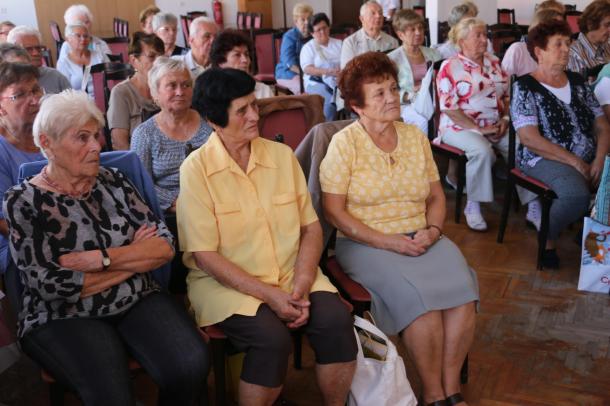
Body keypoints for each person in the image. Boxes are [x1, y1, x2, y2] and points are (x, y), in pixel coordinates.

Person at [2, 90, 209, 405]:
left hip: (138, 298)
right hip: (63, 316)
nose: (97, 147)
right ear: (47, 143)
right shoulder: (23, 201)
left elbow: (164, 247)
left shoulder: (114, 180)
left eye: (96, 136)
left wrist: (102, 259)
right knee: (111, 394)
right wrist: (134, 260)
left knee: (191, 363)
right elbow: (50, 285)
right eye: (81, 138)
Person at [180, 67, 357, 406]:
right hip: (226, 285)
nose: (254, 115)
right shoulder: (197, 170)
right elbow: (205, 255)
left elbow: (310, 228)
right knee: (272, 340)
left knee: (336, 323)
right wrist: (271, 296)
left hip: (293, 274)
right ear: (216, 121)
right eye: (242, 110)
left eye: (254, 105)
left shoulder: (280, 156)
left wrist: (302, 283)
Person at [320, 52, 478, 406]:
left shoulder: (414, 137)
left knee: (463, 293)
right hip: (366, 243)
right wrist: (387, 242)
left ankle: (451, 390)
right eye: (379, 93)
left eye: (393, 88)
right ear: (357, 105)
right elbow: (334, 212)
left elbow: (436, 196)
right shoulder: (345, 144)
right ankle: (433, 392)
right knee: (420, 304)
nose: (391, 97)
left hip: (423, 237)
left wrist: (434, 231)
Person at [512, 20, 610, 268]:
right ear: (539, 52)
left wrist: (599, 159)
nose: (566, 49)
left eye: (568, 43)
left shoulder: (577, 82)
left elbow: (602, 125)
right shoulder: (525, 87)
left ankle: (589, 239)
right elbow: (529, 138)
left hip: (587, 156)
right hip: (542, 158)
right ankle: (547, 238)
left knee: (607, 186)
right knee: (576, 194)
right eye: (559, 44)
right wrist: (575, 162)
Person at [437, 17, 538, 232]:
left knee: (524, 145)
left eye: (486, 35)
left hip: (496, 125)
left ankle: (533, 205)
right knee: (482, 151)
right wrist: (479, 130)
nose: (485, 40)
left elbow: (510, 96)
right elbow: (450, 109)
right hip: (458, 127)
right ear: (462, 40)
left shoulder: (494, 62)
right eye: (478, 35)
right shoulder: (450, 66)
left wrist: (505, 120)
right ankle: (473, 205)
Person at [131, 57, 211, 212]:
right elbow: (140, 183)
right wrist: (176, 200)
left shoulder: (208, 123)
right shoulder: (144, 134)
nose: (180, 92)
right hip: (169, 212)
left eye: (186, 85)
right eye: (172, 86)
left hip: (212, 201)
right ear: (155, 93)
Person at [0, 62, 45, 275]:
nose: (34, 100)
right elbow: (3, 221)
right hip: (18, 241)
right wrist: (48, 243)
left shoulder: (52, 131)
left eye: (36, 90)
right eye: (19, 95)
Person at [388, 9, 441, 133]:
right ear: (400, 34)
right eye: (412, 29)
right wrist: (409, 95)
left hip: (434, 100)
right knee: (422, 120)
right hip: (407, 104)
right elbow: (389, 90)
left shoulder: (434, 54)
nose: (418, 33)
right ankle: (422, 151)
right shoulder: (392, 59)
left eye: (420, 28)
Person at [107, 32, 163, 150]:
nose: (159, 62)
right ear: (133, 60)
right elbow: (120, 144)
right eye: (152, 56)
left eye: (161, 57)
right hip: (137, 160)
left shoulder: (166, 88)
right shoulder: (121, 93)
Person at [300, 13, 342, 121]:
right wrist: (328, 72)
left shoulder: (339, 44)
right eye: (318, 30)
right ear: (312, 33)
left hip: (339, 79)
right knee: (329, 100)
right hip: (316, 82)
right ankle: (327, 130)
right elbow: (307, 69)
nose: (322, 32)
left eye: (324, 28)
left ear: (329, 27)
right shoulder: (308, 48)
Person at [210, 29, 274, 99]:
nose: (245, 60)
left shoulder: (263, 91)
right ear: (220, 62)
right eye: (237, 55)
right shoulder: (212, 94)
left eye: (246, 54)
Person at [6, 26, 71, 94]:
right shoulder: (5, 81)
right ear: (13, 53)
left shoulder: (55, 77)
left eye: (38, 48)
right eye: (28, 49)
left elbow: (74, 102)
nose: (36, 53)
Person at [501, 8, 564, 77]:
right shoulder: (518, 50)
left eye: (562, 28)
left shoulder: (560, 52)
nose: (561, 33)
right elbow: (504, 83)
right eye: (555, 28)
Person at [340, 1, 398, 68]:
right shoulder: (350, 43)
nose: (378, 16)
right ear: (362, 19)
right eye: (373, 13)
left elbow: (396, 69)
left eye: (380, 13)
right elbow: (347, 73)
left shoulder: (393, 42)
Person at [57, 23, 109, 97]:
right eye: (78, 36)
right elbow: (64, 92)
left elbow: (111, 79)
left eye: (86, 36)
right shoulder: (63, 63)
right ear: (68, 39)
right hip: (79, 104)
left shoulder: (99, 56)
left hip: (104, 100)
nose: (83, 39)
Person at [275, 3, 313, 95]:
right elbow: (289, 62)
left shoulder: (313, 35)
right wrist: (306, 74)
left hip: (309, 72)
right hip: (288, 73)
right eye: (303, 19)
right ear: (296, 22)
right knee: (305, 87)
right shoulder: (289, 36)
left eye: (309, 19)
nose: (307, 22)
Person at [568, 1, 610, 77]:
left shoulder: (606, 46)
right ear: (590, 24)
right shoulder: (574, 55)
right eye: (607, 25)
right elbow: (580, 88)